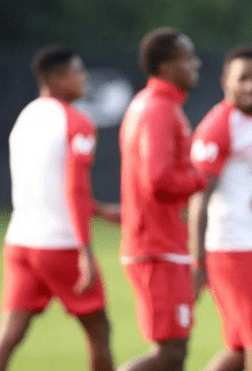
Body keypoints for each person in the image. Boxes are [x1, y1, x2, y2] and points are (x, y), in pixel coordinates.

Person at [0, 45, 120, 371]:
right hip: (61, 245)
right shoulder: (76, 122)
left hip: (21, 241)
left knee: (9, 335)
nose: (84, 79)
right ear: (56, 78)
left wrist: (96, 210)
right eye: (77, 72)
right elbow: (75, 188)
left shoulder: (25, 117)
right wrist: (85, 251)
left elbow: (44, 186)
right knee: (99, 331)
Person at [189, 46, 252, 371]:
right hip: (232, 247)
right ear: (225, 81)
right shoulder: (219, 125)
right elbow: (199, 197)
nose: (251, 85)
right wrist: (197, 261)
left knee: (239, 349)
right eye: (243, 78)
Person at [118, 27, 207, 371]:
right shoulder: (159, 109)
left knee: (175, 355)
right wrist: (200, 179)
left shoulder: (150, 104)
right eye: (188, 57)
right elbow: (158, 179)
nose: (195, 63)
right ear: (168, 65)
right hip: (156, 246)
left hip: (159, 243)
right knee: (169, 354)